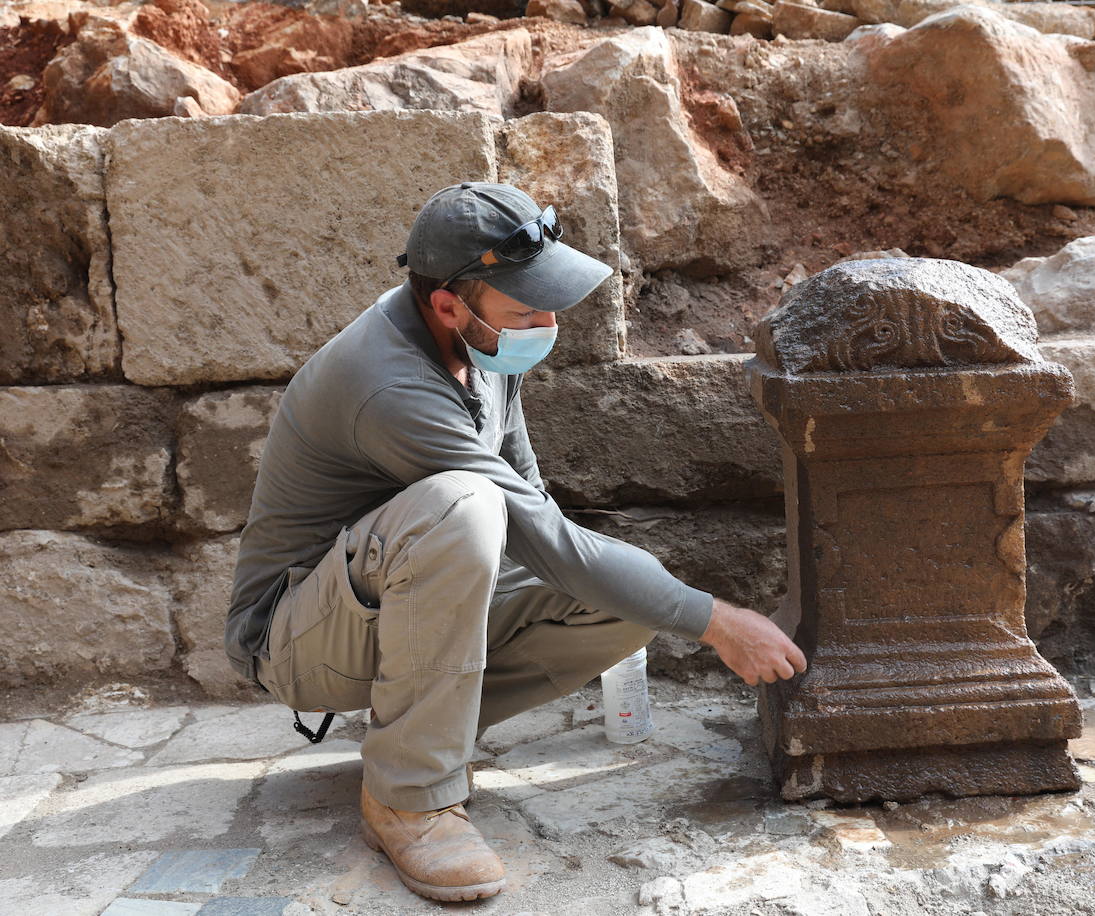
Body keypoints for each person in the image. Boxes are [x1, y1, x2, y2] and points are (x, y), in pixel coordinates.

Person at [224, 182, 806, 902]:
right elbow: (533, 534)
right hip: (298, 643)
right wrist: (719, 621)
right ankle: (408, 798)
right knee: (464, 507)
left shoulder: (483, 347)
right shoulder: (387, 384)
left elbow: (541, 516)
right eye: (526, 306)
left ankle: (416, 733)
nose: (548, 319)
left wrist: (678, 605)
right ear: (448, 303)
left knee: (627, 604)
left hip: (379, 611)